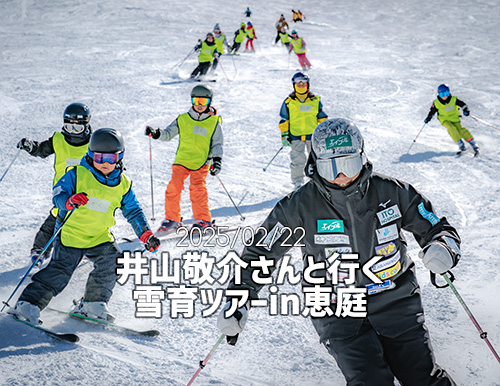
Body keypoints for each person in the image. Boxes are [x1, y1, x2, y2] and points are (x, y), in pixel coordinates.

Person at [218, 118, 460, 386]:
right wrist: (238, 299)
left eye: (348, 164)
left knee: (422, 378)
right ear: (315, 163)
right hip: (335, 309)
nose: (341, 176)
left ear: (362, 156)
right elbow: (259, 254)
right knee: (370, 381)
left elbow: (437, 227)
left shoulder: (392, 192)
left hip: (396, 300)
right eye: (330, 167)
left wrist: (443, 247)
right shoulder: (297, 207)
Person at [10, 128, 161, 325]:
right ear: (90, 155)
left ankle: (93, 303)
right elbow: (58, 194)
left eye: (110, 158)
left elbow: (133, 211)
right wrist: (69, 200)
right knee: (60, 272)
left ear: (119, 157)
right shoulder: (77, 174)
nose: (105, 163)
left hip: (99, 236)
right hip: (72, 234)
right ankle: (28, 304)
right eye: (99, 158)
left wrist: (146, 234)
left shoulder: (123, 184)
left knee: (113, 263)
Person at [16, 103, 92, 267]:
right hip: (63, 191)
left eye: (77, 128)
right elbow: (41, 150)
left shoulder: (93, 143)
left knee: (87, 220)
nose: (72, 131)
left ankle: (85, 249)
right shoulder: (59, 140)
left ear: (86, 126)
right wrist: (31, 147)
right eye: (68, 126)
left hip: (86, 191)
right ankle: (40, 250)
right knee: (56, 217)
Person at [145, 85, 223, 232]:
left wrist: (217, 161)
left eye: (203, 102)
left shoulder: (214, 123)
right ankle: (172, 219)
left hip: (201, 162)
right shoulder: (183, 119)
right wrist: (156, 133)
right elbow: (168, 133)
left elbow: (218, 144)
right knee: (173, 187)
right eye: (196, 100)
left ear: (209, 102)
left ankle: (203, 220)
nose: (199, 105)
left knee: (197, 189)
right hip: (182, 160)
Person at [279, 72, 328, 189]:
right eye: (298, 82)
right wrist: (284, 134)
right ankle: (298, 182)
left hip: (313, 136)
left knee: (316, 159)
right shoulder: (289, 101)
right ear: (294, 84)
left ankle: (317, 180)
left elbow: (322, 118)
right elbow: (284, 119)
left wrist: (325, 132)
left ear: (308, 84)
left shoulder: (315, 100)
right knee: (298, 160)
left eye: (303, 82)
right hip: (296, 136)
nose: (301, 84)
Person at [424, 84, 479, 156]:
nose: (444, 96)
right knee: (451, 128)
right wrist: (428, 117)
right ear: (438, 94)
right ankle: (461, 144)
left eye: (446, 93)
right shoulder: (436, 103)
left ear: (449, 92)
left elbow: (463, 104)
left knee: (461, 130)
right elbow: (432, 111)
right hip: (444, 119)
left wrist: (466, 110)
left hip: (455, 118)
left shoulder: (454, 99)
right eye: (441, 94)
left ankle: (473, 143)